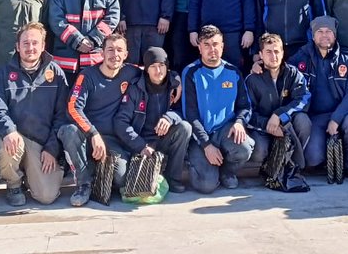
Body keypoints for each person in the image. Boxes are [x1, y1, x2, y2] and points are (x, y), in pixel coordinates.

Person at [0, 24, 68, 207]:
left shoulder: (56, 74)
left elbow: (62, 115)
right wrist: (9, 130)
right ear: (17, 46)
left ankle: (32, 175)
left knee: (47, 196)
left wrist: (51, 148)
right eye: (25, 43)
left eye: (35, 43)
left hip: (41, 143)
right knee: (8, 148)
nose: (30, 48)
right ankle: (14, 184)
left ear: (43, 46)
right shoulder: (3, 73)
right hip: (13, 137)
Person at [58, 33, 138, 206]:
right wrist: (93, 133)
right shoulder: (87, 75)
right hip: (87, 137)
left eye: (119, 50)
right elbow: (73, 107)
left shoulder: (131, 72)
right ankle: (83, 184)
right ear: (101, 53)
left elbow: (158, 71)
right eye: (110, 50)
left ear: (125, 55)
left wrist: (176, 81)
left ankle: (97, 171)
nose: (114, 55)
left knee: (121, 179)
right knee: (68, 131)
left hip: (113, 140)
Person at [290, 17, 348, 181]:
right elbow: (281, 72)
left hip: (343, 115)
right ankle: (332, 157)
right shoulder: (300, 58)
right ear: (312, 36)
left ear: (335, 35)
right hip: (315, 117)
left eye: (328, 32)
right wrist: (259, 66)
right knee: (313, 158)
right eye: (320, 31)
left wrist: (335, 119)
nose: (324, 35)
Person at [182, 26, 255, 193]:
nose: (212, 49)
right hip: (200, 136)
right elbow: (190, 115)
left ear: (222, 46)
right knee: (206, 186)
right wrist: (206, 145)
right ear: (199, 47)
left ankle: (226, 173)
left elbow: (245, 106)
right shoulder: (191, 73)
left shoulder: (233, 71)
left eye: (215, 44)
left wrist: (239, 122)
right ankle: (202, 166)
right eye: (206, 45)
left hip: (225, 130)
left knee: (244, 147)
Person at [114, 47, 193, 194]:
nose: (159, 71)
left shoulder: (174, 85)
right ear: (146, 69)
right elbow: (120, 122)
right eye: (153, 67)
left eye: (162, 66)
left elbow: (184, 111)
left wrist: (170, 118)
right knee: (122, 180)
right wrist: (141, 145)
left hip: (163, 139)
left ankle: (173, 179)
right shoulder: (135, 89)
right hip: (140, 142)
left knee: (185, 127)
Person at [244, 34, 312, 178]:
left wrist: (280, 115)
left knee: (304, 121)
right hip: (263, 128)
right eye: (268, 52)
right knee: (259, 151)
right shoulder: (252, 80)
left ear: (282, 53)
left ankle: (293, 165)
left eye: (277, 51)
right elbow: (247, 112)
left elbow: (303, 98)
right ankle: (270, 165)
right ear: (261, 55)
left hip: (287, 125)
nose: (273, 56)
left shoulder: (292, 73)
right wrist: (269, 125)